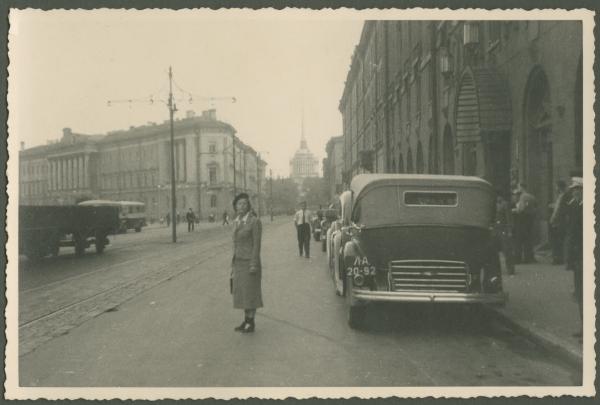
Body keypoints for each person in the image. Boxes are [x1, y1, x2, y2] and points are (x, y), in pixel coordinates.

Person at [230, 193, 263, 333]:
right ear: (235, 207)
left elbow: (257, 244)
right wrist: (233, 265)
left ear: (248, 206)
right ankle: (246, 320)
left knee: (251, 293)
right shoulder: (236, 221)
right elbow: (235, 244)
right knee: (243, 293)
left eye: (244, 203)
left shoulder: (254, 221)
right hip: (238, 262)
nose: (241, 206)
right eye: (239, 204)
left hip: (250, 262)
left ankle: (251, 322)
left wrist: (254, 263)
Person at [564, 177, 583, 324]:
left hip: (583, 252)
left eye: (577, 190)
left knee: (585, 290)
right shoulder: (573, 205)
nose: (575, 192)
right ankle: (584, 327)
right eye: (574, 190)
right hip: (575, 253)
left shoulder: (586, 206)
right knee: (579, 291)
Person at [512, 183, 537, 264]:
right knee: (528, 240)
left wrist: (514, 210)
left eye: (519, 187)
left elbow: (521, 209)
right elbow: (535, 208)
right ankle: (528, 257)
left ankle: (517, 258)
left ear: (522, 187)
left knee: (518, 239)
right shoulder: (531, 196)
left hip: (522, 220)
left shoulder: (523, 196)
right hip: (530, 220)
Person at [495, 193, 515, 275]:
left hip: (504, 229)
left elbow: (508, 218)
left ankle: (510, 269)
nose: (497, 197)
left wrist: (509, 230)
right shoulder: (495, 204)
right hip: (496, 229)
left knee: (507, 250)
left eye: (498, 196)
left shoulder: (505, 204)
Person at [549, 180, 567, 264]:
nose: (555, 188)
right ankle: (559, 258)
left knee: (557, 241)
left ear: (559, 187)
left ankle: (558, 259)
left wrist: (552, 220)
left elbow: (558, 210)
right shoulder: (561, 196)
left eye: (556, 186)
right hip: (560, 221)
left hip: (558, 222)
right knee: (558, 240)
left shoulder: (562, 196)